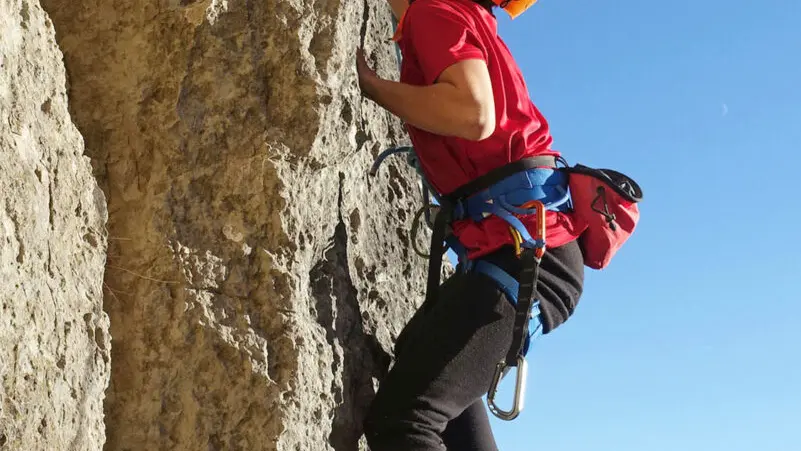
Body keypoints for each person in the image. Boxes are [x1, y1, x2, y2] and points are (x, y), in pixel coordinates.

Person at [356, 0, 586, 449]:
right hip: (526, 248)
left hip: (523, 251)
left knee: (406, 420)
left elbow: (473, 113)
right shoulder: (461, 13)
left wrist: (372, 87)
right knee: (425, 365)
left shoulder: (433, 9)